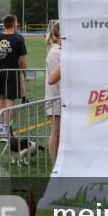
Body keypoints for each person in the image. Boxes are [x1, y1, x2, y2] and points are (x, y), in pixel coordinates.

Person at [0, 14, 28, 137]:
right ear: (14, 24)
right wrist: (25, 75)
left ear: (3, 25)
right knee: (10, 100)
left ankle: (0, 127)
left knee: (0, 99)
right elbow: (23, 60)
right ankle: (6, 128)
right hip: (12, 73)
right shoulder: (19, 38)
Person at [45, 20, 62, 166]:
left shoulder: (59, 51)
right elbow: (55, 80)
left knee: (59, 131)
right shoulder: (55, 52)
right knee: (56, 132)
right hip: (56, 97)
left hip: (60, 97)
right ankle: (55, 164)